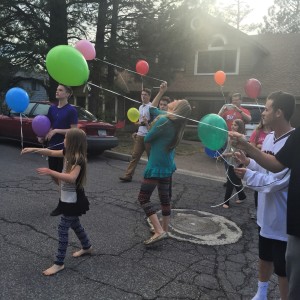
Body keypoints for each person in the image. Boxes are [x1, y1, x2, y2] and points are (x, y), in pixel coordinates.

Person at [229, 91, 299, 300]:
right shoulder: (268, 138)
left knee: (283, 267)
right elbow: (264, 168)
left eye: (267, 109)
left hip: (282, 218)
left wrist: (249, 172)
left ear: (279, 112)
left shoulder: (293, 141)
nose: (263, 113)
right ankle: (261, 293)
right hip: (265, 212)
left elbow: (278, 181)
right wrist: (249, 162)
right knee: (264, 256)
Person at [21, 128, 92, 276]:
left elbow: (72, 178)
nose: (63, 139)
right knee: (75, 224)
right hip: (66, 197)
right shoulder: (68, 152)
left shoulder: (78, 158)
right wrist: (33, 149)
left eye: (66, 138)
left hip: (74, 200)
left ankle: (59, 263)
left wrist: (50, 172)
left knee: (62, 228)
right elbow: (52, 152)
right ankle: (87, 247)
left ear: (72, 141)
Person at [138, 99, 191, 245]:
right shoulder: (177, 123)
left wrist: (151, 126)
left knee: (143, 198)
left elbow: (147, 138)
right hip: (167, 165)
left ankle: (159, 231)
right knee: (164, 198)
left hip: (156, 164)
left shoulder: (164, 122)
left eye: (177, 100)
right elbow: (153, 110)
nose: (174, 100)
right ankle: (165, 230)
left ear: (177, 108)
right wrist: (160, 92)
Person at [119, 82, 167, 182]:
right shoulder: (140, 107)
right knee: (134, 156)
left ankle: (154, 176)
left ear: (149, 96)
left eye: (145, 95)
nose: (143, 96)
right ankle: (128, 175)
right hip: (140, 136)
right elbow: (141, 122)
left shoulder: (152, 107)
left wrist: (145, 123)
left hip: (149, 136)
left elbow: (153, 122)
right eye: (142, 94)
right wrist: (137, 130)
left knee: (151, 158)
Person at [42, 84, 78, 216]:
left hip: (65, 148)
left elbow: (74, 130)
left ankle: (62, 205)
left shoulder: (71, 110)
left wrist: (57, 130)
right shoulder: (52, 109)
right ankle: (68, 197)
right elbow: (48, 126)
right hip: (51, 146)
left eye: (60, 90)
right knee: (54, 175)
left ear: (68, 94)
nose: (57, 91)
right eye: (57, 89)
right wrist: (43, 136)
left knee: (61, 177)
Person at [218, 93, 252, 187]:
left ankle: (236, 180)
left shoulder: (244, 110)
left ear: (241, 101)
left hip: (238, 140)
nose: (234, 102)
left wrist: (239, 111)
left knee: (237, 160)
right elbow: (217, 118)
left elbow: (249, 119)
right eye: (233, 100)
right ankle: (229, 178)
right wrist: (222, 110)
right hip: (227, 138)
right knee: (227, 159)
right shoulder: (227, 111)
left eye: (237, 100)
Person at [220, 119, 247, 209]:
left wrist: (226, 154)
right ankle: (242, 196)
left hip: (236, 162)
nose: (232, 126)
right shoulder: (229, 135)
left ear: (240, 127)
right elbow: (228, 147)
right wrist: (223, 154)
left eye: (235, 125)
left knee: (230, 181)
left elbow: (240, 153)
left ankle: (226, 202)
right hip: (229, 161)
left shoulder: (242, 137)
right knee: (235, 180)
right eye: (232, 124)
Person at [249, 118, 271, 217]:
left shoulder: (273, 133)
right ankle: (258, 210)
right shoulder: (257, 132)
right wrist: (258, 147)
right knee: (259, 188)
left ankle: (266, 211)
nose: (263, 117)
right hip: (258, 163)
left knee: (269, 186)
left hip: (271, 165)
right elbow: (251, 147)